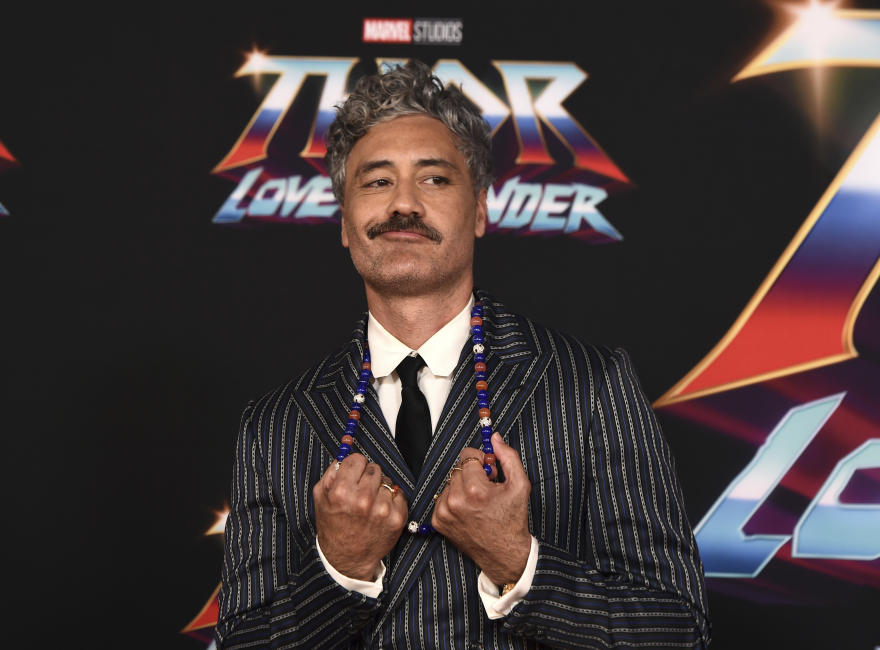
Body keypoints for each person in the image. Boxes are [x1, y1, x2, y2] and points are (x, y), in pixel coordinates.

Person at [216, 60, 711, 649]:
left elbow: (677, 632)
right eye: (376, 182)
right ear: (344, 222)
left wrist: (519, 563)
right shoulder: (276, 426)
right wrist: (338, 568)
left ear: (479, 210)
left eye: (433, 179)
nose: (403, 204)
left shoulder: (591, 386)